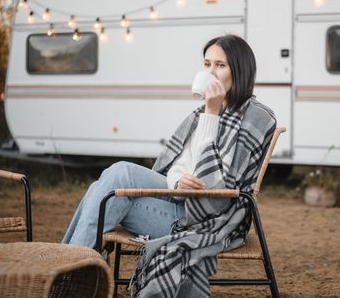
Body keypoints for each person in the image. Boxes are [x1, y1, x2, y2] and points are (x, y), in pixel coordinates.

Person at [62, 34, 276, 297]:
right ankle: (73, 272)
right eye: (207, 64)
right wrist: (177, 182)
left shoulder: (255, 118)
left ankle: (69, 276)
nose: (211, 72)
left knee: (105, 195)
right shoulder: (201, 113)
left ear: (240, 70)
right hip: (180, 199)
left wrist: (212, 114)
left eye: (220, 65)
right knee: (116, 175)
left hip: (204, 220)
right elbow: (179, 165)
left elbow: (216, 191)